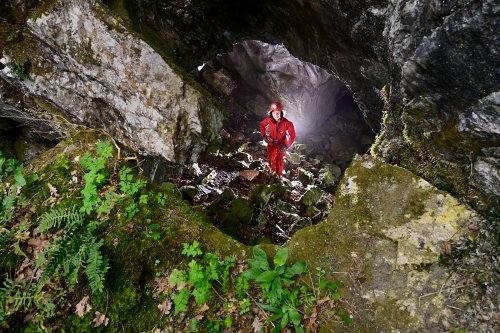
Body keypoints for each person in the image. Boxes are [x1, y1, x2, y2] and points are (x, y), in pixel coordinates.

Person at [260, 101, 296, 176]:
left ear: (281, 113)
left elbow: (293, 136)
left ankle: (279, 175)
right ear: (271, 113)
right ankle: (273, 171)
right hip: (271, 142)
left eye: (278, 113)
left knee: (279, 159)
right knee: (271, 158)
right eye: (273, 113)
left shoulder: (287, 123)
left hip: (281, 143)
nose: (276, 115)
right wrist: (264, 136)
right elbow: (262, 125)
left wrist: (286, 145)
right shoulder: (269, 120)